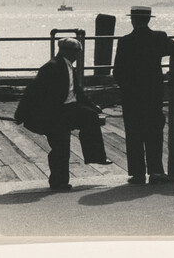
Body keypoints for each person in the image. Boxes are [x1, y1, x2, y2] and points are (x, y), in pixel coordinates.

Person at [14, 37, 112, 191]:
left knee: (91, 116)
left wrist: (94, 107)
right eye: (75, 52)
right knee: (61, 146)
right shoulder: (51, 67)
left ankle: (95, 156)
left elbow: (78, 92)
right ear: (66, 51)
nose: (77, 55)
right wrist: (21, 114)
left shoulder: (69, 67)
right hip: (55, 113)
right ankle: (58, 181)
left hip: (71, 107)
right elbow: (33, 91)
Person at [113, 6, 174, 185]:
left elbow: (117, 71)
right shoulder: (159, 38)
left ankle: (137, 174)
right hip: (152, 92)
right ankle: (156, 171)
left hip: (131, 95)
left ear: (132, 20)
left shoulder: (124, 41)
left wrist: (127, 89)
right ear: (149, 19)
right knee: (154, 132)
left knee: (133, 133)